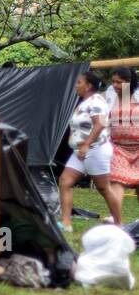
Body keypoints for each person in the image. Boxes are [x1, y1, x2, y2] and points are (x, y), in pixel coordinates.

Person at [58, 70, 121, 232]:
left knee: (103, 188)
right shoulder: (85, 101)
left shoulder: (96, 101)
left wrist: (86, 144)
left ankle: (119, 224)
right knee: (65, 181)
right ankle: (66, 224)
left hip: (95, 149)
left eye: (79, 82)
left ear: (89, 86)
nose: (76, 86)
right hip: (80, 152)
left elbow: (100, 124)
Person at [107, 66, 139, 220]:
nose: (115, 85)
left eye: (119, 83)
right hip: (118, 148)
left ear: (128, 82)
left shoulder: (137, 96)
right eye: (113, 82)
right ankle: (115, 219)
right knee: (117, 181)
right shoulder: (110, 95)